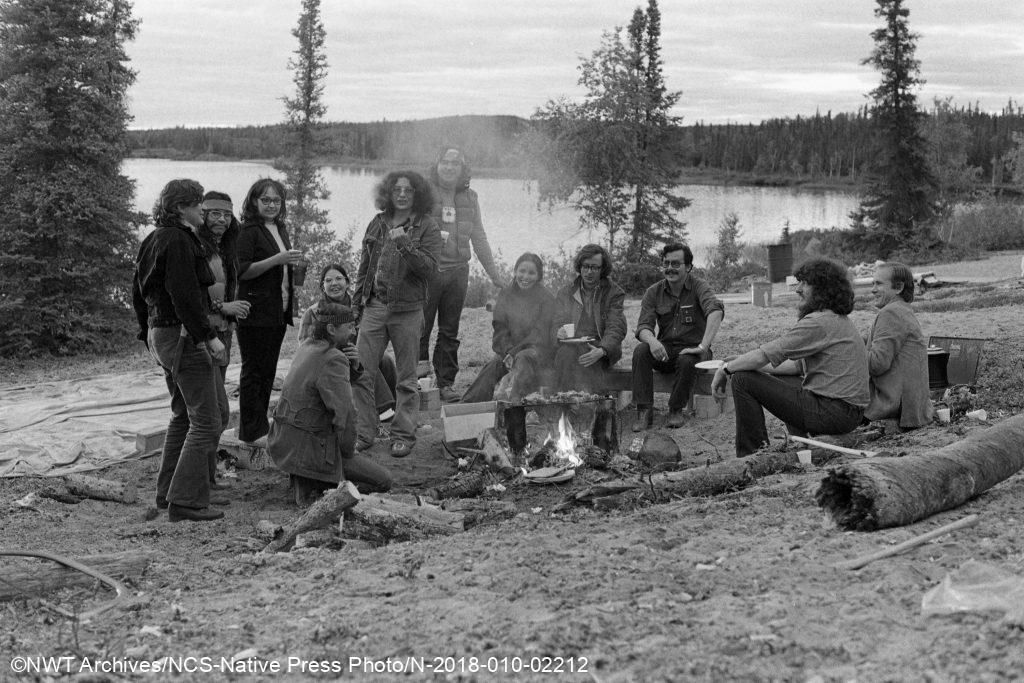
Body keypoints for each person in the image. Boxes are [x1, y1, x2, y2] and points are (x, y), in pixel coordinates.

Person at [132, 178, 227, 522]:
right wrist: (209, 337)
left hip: (163, 334)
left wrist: (148, 334)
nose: (203, 208)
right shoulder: (178, 240)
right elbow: (184, 296)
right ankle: (185, 501)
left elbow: (137, 294)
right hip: (181, 334)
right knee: (207, 419)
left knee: (183, 414)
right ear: (180, 207)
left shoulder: (154, 239)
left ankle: (167, 492)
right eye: (198, 202)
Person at [711, 258, 870, 457]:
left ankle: (752, 455)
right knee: (778, 378)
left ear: (823, 288)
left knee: (742, 380)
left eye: (805, 283)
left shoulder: (819, 322)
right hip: (848, 412)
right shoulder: (834, 319)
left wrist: (726, 369)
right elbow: (794, 367)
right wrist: (741, 362)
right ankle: (804, 442)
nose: (798, 289)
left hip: (835, 413)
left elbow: (765, 354)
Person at [351, 171, 443, 458]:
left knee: (406, 379)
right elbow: (364, 267)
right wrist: (356, 305)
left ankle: (403, 434)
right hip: (374, 307)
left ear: (418, 194)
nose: (402, 194)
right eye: (397, 189)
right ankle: (364, 432)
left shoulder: (427, 226)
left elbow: (429, 269)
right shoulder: (377, 222)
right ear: (388, 193)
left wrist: (404, 243)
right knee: (360, 373)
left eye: (409, 190)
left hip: (408, 311)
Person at [268, 302, 392, 506]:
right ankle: (318, 486)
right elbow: (347, 415)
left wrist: (354, 366)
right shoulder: (333, 359)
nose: (354, 332)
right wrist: (348, 450)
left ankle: (306, 476)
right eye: (350, 327)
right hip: (310, 447)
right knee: (384, 481)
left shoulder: (308, 345)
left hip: (286, 443)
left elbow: (327, 388)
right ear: (332, 329)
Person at [418, 146, 503, 402]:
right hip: (428, 272)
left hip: (458, 272)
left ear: (463, 168)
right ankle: (418, 382)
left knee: (449, 331)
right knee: (420, 328)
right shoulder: (423, 193)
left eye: (455, 163)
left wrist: (494, 275)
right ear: (437, 164)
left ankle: (445, 383)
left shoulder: (471, 197)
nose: (450, 167)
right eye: (445, 161)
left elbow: (479, 237)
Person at [235, 178, 303, 445]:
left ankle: (261, 424)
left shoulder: (279, 227)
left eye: (276, 200)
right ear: (254, 201)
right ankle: (251, 432)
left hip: (277, 311)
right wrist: (278, 259)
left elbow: (282, 271)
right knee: (253, 372)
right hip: (253, 311)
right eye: (266, 200)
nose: (272, 205)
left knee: (267, 371)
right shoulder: (247, 230)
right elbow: (242, 271)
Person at [631, 243, 725, 431]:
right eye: (666, 263)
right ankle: (644, 411)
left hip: (695, 351)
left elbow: (715, 312)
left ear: (688, 267)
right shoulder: (653, 292)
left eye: (676, 264)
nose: (670, 268)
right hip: (666, 349)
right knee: (641, 351)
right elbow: (643, 327)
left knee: (687, 359)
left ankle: (675, 410)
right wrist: (653, 341)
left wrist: (702, 347)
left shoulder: (700, 287)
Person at [195, 191, 251, 488]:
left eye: (227, 215)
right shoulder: (196, 246)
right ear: (202, 213)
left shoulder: (227, 246)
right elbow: (189, 295)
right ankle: (201, 479)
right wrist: (221, 307)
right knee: (214, 412)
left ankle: (206, 475)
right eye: (215, 213)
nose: (222, 220)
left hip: (223, 333)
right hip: (203, 335)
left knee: (215, 410)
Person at [298, 263, 397, 421]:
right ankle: (383, 412)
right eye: (328, 280)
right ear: (322, 286)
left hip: (357, 353)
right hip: (327, 359)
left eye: (339, 278)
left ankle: (393, 407)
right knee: (361, 360)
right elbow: (305, 348)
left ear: (347, 283)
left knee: (385, 360)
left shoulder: (360, 308)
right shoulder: (313, 312)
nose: (334, 283)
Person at [462, 253, 557, 404]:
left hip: (538, 351)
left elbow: (540, 335)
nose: (525, 277)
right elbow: (500, 329)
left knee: (523, 358)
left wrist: (514, 353)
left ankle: (514, 408)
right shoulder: (506, 293)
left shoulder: (546, 299)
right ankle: (468, 408)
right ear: (515, 271)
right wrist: (507, 352)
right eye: (522, 271)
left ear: (539, 276)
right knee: (493, 365)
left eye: (531, 273)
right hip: (511, 350)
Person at [864, 262, 933, 428]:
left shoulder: (890, 313)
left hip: (895, 406)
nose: (873, 289)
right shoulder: (903, 310)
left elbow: (877, 364)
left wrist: (848, 352)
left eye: (879, 284)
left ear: (898, 287)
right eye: (872, 283)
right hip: (913, 405)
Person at [552, 243, 626, 394]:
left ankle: (592, 407)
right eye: (585, 266)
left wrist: (602, 350)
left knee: (589, 361)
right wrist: (558, 332)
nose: (589, 272)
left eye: (595, 267)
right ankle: (564, 404)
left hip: (600, 347)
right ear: (579, 266)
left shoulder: (614, 293)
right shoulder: (565, 292)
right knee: (564, 355)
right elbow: (556, 323)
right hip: (572, 346)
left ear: (602, 269)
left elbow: (616, 327)